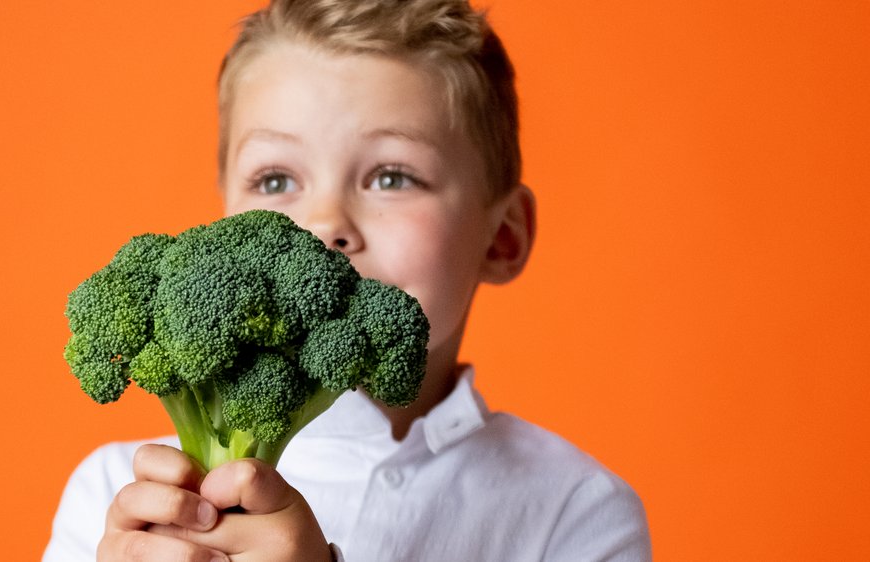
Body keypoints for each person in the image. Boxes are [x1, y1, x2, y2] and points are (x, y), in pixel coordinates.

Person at [44, 0, 652, 560]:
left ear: (503, 237)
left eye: (392, 177)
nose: (324, 223)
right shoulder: (113, 500)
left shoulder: (575, 511)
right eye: (277, 179)